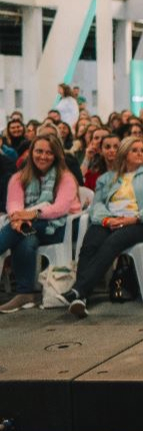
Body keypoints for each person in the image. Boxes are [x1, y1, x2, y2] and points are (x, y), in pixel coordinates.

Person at [56, 136, 143, 317]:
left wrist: (135, 218)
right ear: (124, 154)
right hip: (109, 220)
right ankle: (80, 298)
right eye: (135, 150)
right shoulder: (107, 178)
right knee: (91, 241)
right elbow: (96, 205)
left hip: (138, 222)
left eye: (142, 150)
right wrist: (107, 220)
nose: (140, 153)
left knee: (113, 242)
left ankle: (79, 290)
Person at [0, 133, 80, 314]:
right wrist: (17, 218)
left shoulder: (65, 177)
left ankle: (25, 293)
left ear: (56, 155)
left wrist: (30, 215)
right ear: (31, 152)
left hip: (60, 226)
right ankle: (26, 293)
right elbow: (13, 204)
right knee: (26, 239)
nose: (43, 156)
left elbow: (59, 208)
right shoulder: (19, 178)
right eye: (39, 151)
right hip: (29, 227)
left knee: (21, 231)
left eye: (49, 153)